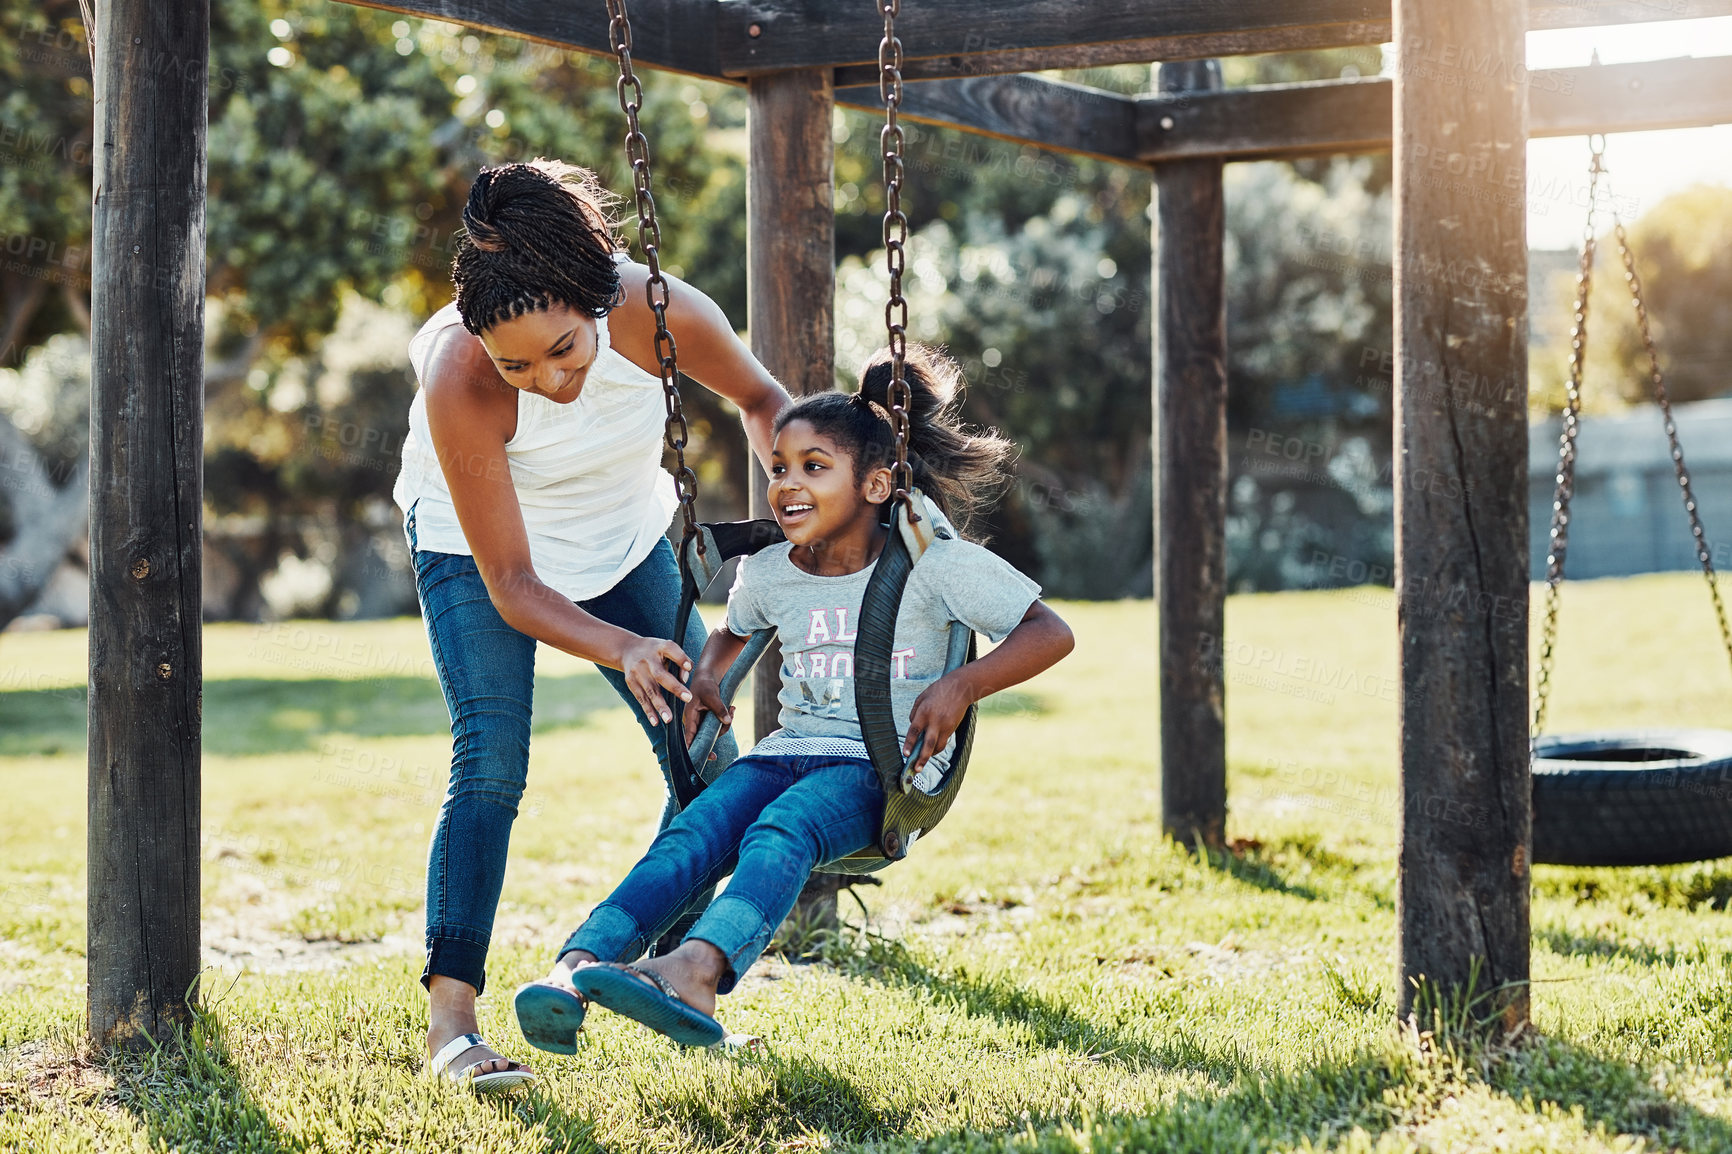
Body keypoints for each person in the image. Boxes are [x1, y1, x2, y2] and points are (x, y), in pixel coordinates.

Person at [512, 345, 1075, 1050]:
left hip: (880, 771)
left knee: (783, 828)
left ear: (874, 487)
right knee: (692, 834)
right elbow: (730, 630)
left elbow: (1049, 632)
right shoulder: (773, 570)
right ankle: (577, 967)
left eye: (814, 467)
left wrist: (962, 683)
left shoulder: (937, 565)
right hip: (790, 752)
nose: (786, 484)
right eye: (778, 467)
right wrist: (712, 675)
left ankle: (699, 968)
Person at [394, 158, 790, 1089]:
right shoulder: (461, 374)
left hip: (621, 540)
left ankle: (623, 968)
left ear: (597, 301)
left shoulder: (659, 312)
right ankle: (451, 1026)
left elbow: (763, 400)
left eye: (565, 349)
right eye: (517, 364)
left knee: (710, 767)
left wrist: (792, 508)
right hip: (479, 548)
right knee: (490, 760)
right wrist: (622, 648)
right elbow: (514, 585)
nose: (548, 380)